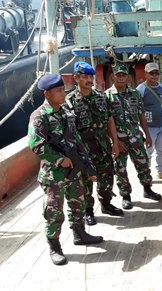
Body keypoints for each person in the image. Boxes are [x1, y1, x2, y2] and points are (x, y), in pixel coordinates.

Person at [28, 74, 103, 265]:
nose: (63, 93)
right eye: (58, 91)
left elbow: (77, 141)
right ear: (47, 94)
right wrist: (59, 159)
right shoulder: (39, 116)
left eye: (63, 89)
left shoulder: (66, 112)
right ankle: (54, 246)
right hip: (54, 175)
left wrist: (88, 166)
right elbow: (37, 145)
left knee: (77, 203)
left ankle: (79, 233)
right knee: (54, 211)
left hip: (74, 171)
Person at [66, 61, 120, 225]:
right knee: (86, 181)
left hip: (103, 147)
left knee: (107, 176)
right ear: (76, 78)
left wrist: (115, 143)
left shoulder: (101, 97)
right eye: (85, 77)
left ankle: (106, 204)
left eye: (91, 76)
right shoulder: (70, 102)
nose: (89, 80)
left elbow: (110, 121)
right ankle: (88, 211)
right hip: (84, 151)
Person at [105, 63, 162, 210]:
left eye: (124, 75)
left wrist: (147, 135)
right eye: (118, 75)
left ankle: (147, 189)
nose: (121, 78)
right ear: (113, 76)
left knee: (143, 164)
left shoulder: (135, 93)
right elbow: (105, 122)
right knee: (121, 169)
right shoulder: (106, 96)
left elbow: (141, 114)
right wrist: (115, 142)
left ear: (128, 77)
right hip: (120, 140)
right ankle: (126, 196)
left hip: (136, 137)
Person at [137, 62, 162, 180]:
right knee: (148, 151)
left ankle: (161, 171)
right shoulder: (141, 89)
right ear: (146, 74)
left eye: (156, 73)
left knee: (161, 150)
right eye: (151, 73)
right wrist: (143, 130)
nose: (154, 76)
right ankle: (146, 173)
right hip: (149, 127)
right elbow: (137, 110)